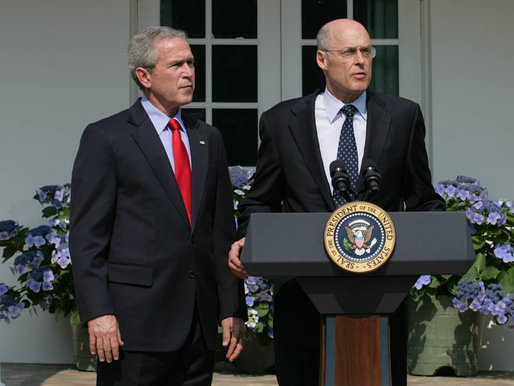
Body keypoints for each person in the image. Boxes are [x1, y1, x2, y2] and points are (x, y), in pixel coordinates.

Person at [228, 19, 445, 386]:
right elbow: (260, 200)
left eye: (366, 51)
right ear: (322, 59)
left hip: (380, 296)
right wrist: (249, 236)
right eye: (348, 52)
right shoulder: (283, 121)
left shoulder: (403, 116)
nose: (361, 60)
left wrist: (441, 235)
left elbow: (422, 197)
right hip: (301, 294)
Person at [70, 26, 246, 386]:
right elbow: (87, 237)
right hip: (133, 326)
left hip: (198, 324)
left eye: (191, 63)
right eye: (177, 64)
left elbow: (220, 232)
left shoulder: (206, 137)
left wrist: (231, 308)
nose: (189, 72)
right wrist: (98, 312)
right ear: (144, 75)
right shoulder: (108, 137)